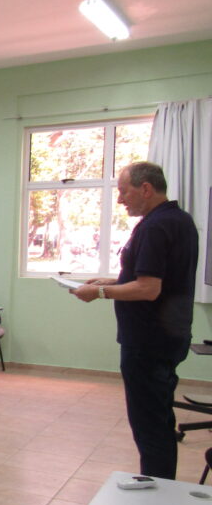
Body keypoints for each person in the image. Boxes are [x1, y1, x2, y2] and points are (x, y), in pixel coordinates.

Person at [72, 162, 198, 480]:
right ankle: (161, 482)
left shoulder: (155, 227)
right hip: (168, 337)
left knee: (149, 423)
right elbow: (157, 278)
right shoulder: (179, 220)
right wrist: (113, 280)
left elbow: (148, 289)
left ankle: (156, 487)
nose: (120, 199)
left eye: (123, 191)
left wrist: (99, 292)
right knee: (158, 417)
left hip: (148, 342)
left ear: (146, 188)